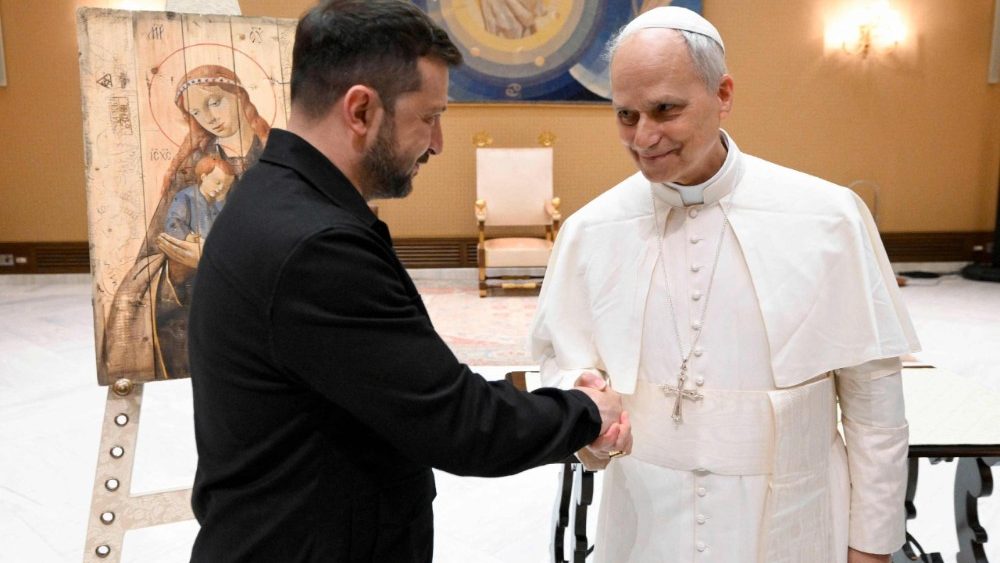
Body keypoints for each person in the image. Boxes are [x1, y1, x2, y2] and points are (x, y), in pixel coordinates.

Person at [186, 1, 631, 561]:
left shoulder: (272, 195)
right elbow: (459, 424)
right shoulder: (317, 247)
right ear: (361, 110)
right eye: (429, 117)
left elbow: (392, 385)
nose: (438, 142)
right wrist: (586, 412)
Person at [530, 7, 920, 563]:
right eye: (625, 115)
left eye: (665, 109)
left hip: (795, 515)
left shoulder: (829, 217)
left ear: (723, 94)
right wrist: (587, 403)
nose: (644, 137)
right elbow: (560, 362)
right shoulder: (589, 230)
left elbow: (875, 404)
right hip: (646, 517)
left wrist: (872, 547)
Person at [101, 65, 270, 382]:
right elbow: (154, 254)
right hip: (208, 306)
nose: (209, 118)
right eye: (196, 112)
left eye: (215, 101)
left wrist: (216, 258)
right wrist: (180, 267)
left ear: (240, 96)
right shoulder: (192, 167)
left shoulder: (275, 156)